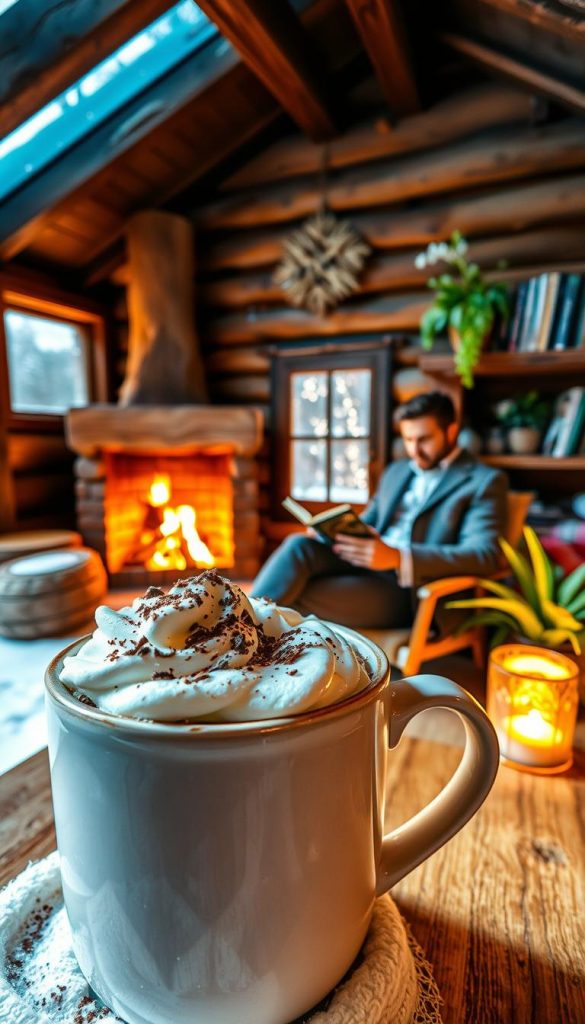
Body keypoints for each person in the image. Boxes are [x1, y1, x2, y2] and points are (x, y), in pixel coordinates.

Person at [251, 391, 508, 629]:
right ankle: (234, 627)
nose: (415, 450)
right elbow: (369, 521)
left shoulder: (483, 481)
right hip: (365, 563)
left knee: (293, 592)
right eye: (408, 439)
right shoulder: (396, 471)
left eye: (424, 439)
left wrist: (398, 557)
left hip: (408, 590)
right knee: (298, 545)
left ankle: (237, 637)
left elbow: (484, 555)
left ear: (451, 432)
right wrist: (330, 532)